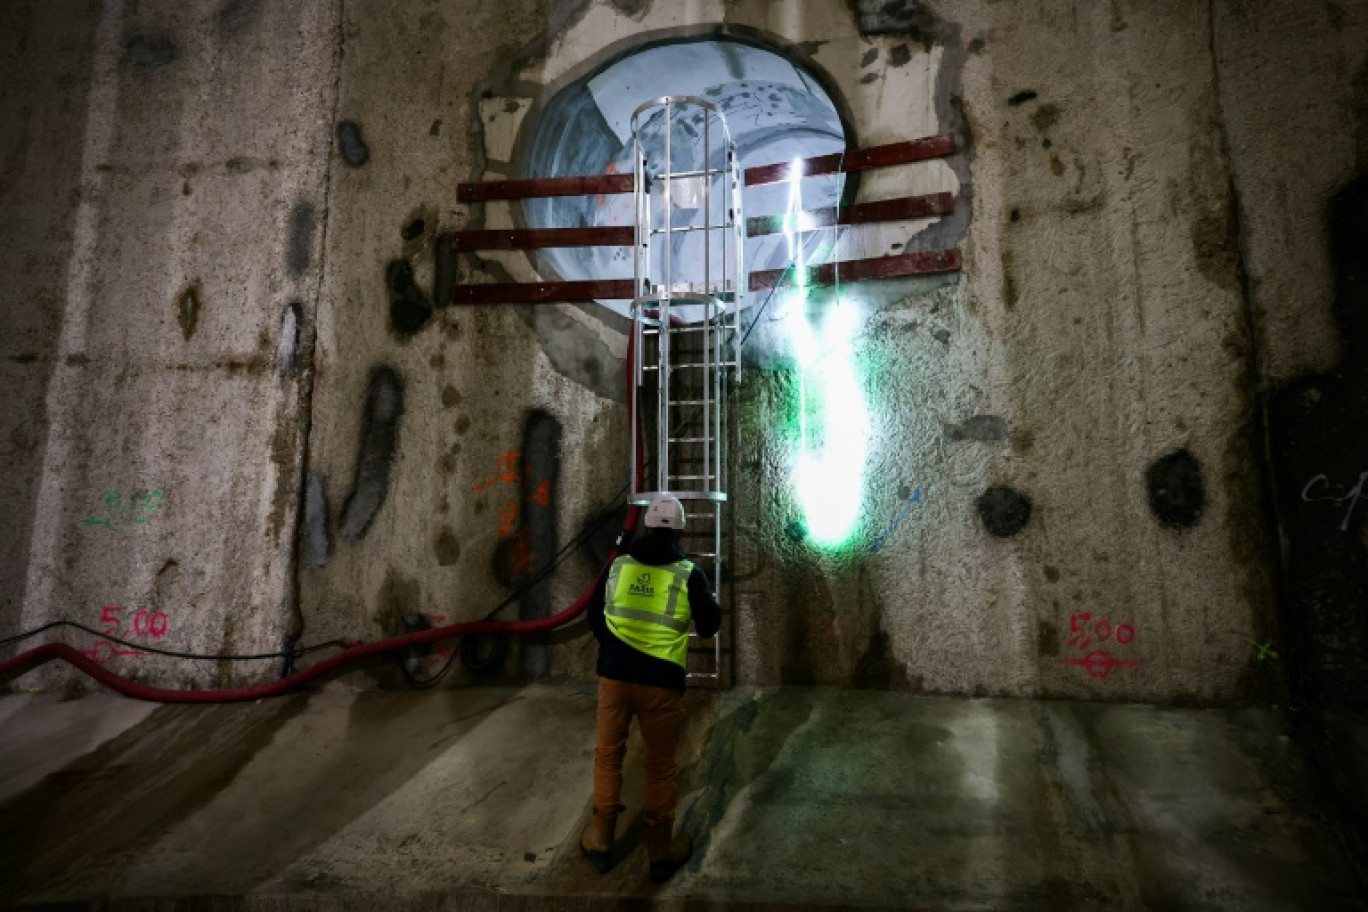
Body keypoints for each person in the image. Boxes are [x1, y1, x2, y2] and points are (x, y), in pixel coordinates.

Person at [580, 492, 722, 883]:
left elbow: (594, 617)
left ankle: (601, 843)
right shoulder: (688, 573)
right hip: (660, 683)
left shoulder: (618, 566)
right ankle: (660, 853)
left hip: (615, 677)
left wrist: (614, 648)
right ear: (680, 530)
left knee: (608, 755)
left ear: (645, 527)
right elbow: (710, 625)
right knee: (661, 765)